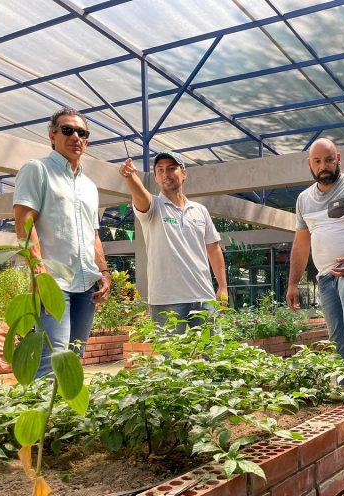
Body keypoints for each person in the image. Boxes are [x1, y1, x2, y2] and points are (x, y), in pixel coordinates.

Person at [13, 107, 111, 377]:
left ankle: (63, 418)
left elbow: (93, 234)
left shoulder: (89, 186)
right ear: (52, 136)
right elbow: (24, 223)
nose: (75, 136)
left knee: (72, 359)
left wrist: (103, 272)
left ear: (87, 141)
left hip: (86, 286)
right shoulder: (37, 170)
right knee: (51, 360)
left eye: (82, 132)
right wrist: (40, 276)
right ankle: (43, 417)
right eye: (67, 130)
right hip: (54, 283)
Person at [286, 138, 344, 382]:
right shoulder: (303, 200)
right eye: (317, 161)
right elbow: (301, 243)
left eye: (328, 159)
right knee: (336, 332)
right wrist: (293, 283)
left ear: (338, 159)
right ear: (309, 164)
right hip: (327, 275)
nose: (323, 166)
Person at [119, 151, 227, 333]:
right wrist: (130, 177)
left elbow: (214, 249)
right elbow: (140, 195)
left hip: (203, 296)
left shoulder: (199, 211)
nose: (165, 174)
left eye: (171, 168)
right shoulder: (153, 207)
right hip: (166, 300)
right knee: (171, 359)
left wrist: (223, 286)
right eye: (160, 170)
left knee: (214, 356)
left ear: (184, 173)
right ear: (155, 177)